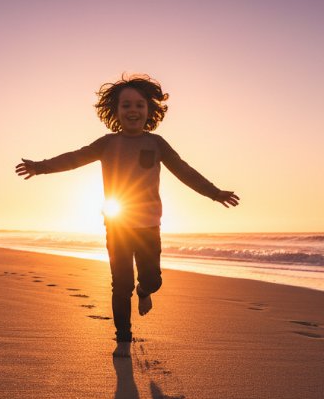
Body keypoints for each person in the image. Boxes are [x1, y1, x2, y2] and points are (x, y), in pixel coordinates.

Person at [15, 74, 239, 357]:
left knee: (153, 279)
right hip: (117, 224)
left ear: (149, 111)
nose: (133, 110)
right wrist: (40, 167)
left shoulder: (158, 144)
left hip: (148, 227)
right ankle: (123, 339)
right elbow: (73, 158)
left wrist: (214, 193)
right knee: (120, 284)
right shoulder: (106, 144)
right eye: (126, 106)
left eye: (139, 105)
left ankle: (144, 292)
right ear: (116, 112)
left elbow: (184, 171)